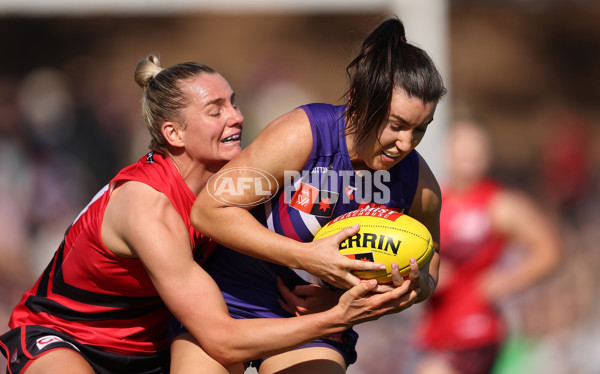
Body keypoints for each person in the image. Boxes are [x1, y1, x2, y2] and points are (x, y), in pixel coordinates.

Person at [0, 54, 424, 374]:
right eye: (216, 110)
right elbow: (222, 339)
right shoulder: (149, 206)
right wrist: (338, 317)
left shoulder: (242, 178)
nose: (237, 117)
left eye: (234, 103)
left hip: (152, 346)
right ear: (173, 133)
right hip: (67, 336)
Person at [187, 17, 447, 373]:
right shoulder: (304, 135)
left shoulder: (419, 185)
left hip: (320, 323)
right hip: (230, 299)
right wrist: (309, 257)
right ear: (358, 100)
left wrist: (401, 291)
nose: (406, 143)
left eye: (420, 129)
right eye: (396, 125)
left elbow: (430, 268)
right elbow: (209, 210)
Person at [413, 118, 561, 374]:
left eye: (475, 148)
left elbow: (550, 249)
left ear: (486, 154)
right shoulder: (432, 201)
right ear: (448, 150)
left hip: (477, 330)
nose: (468, 154)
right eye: (462, 146)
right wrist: (430, 272)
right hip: (434, 332)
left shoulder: (499, 203)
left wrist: (507, 280)